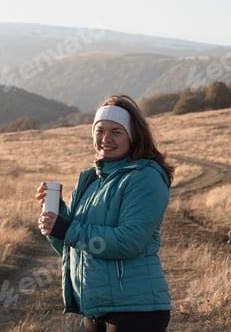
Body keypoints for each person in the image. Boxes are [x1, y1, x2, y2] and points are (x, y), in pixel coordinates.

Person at [35, 95, 175, 332]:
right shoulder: (89, 177)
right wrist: (55, 214)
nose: (106, 139)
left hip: (136, 310)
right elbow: (72, 248)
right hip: (94, 308)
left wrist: (68, 229)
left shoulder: (144, 177)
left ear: (133, 136)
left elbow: (128, 241)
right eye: (100, 130)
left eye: (116, 132)